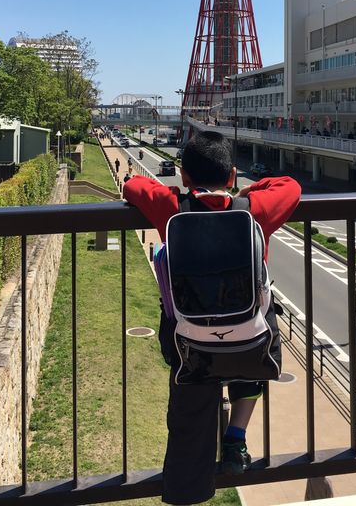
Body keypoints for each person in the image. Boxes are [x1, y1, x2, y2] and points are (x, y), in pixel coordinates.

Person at [123, 130, 300, 505]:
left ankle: (188, 491)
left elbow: (133, 186)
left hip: (189, 342)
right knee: (255, 354)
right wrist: (246, 191)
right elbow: (291, 186)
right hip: (249, 340)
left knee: (189, 413)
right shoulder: (251, 212)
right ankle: (236, 436)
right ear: (233, 175)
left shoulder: (172, 207)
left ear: (184, 176)